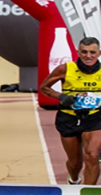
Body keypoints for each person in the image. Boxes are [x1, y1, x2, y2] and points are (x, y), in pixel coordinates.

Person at [40, 36, 101, 185]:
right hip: (69, 118)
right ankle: (74, 179)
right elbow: (44, 88)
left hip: (94, 118)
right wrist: (61, 97)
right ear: (78, 52)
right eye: (84, 52)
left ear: (99, 53)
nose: (88, 56)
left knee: (92, 155)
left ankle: (87, 194)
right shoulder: (65, 69)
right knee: (75, 163)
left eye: (92, 52)